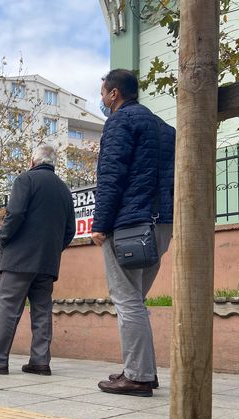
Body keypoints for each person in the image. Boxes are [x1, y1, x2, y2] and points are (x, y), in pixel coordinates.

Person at [92, 69, 176, 397]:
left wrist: (100, 224)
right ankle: (138, 369)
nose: (102, 99)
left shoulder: (120, 122)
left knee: (127, 300)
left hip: (130, 224)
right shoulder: (164, 128)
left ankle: (139, 376)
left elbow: (112, 175)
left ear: (114, 94)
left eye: (103, 93)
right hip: (161, 223)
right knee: (135, 300)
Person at [0, 145, 75, 375]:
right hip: (47, 262)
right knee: (42, 310)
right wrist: (54, 249)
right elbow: (70, 230)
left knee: (7, 307)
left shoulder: (25, 180)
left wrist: (4, 239)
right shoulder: (65, 191)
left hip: (20, 258)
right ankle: (40, 361)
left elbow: (15, 214)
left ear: (32, 161)